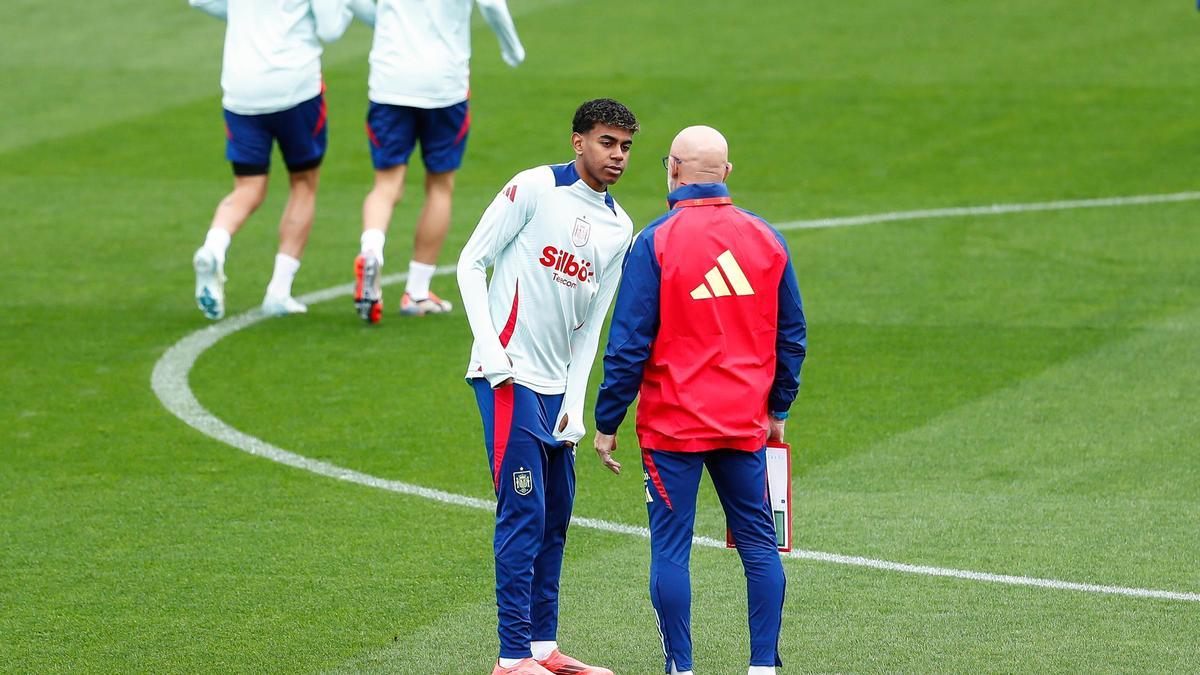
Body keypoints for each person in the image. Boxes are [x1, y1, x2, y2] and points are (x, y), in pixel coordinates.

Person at [592, 126, 807, 675]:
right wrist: (778, 409)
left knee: (670, 550)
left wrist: (607, 419)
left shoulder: (656, 240)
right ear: (726, 174)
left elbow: (628, 343)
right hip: (742, 424)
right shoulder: (766, 238)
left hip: (672, 429)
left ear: (673, 169)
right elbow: (793, 334)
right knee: (759, 545)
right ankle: (763, 667)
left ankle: (681, 667)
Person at [457, 99, 639, 675]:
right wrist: (491, 351)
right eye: (607, 142)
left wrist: (578, 404)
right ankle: (511, 659)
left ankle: (542, 649)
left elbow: (593, 329)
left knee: (557, 514)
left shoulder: (620, 227)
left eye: (627, 146)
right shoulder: (534, 188)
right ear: (578, 141)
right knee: (523, 512)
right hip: (507, 378)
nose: (618, 156)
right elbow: (470, 262)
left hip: (557, 393)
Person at [189, 0, 372, 320]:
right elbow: (331, 30)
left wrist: (246, 18)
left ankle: (214, 247)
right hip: (294, 86)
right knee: (303, 184)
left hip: (241, 87)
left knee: (247, 187)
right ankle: (279, 290)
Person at [352, 0, 525, 323]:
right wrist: (512, 48)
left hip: (390, 79)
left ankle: (372, 249)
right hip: (445, 85)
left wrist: (388, 24)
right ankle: (417, 291)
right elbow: (490, 4)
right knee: (440, 187)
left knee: (386, 184)